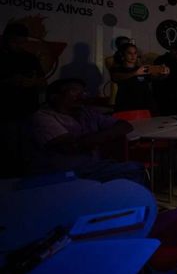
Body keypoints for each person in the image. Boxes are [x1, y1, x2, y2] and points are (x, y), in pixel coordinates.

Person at [30, 78, 145, 183]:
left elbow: (125, 126)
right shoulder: (43, 117)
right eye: (74, 91)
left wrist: (93, 139)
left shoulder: (86, 112)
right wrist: (102, 137)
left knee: (135, 168)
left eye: (83, 92)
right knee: (131, 171)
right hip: (63, 174)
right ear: (55, 97)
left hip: (92, 167)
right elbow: (70, 146)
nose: (82, 96)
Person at [0, 22, 46, 177]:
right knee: (9, 151)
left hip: (29, 110)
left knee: (29, 150)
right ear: (6, 38)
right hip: (5, 113)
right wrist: (9, 82)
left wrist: (33, 82)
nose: (19, 45)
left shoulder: (29, 58)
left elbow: (43, 82)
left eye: (22, 42)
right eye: (15, 41)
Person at [111, 43, 168, 112]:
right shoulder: (118, 69)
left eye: (135, 53)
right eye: (129, 53)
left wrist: (164, 73)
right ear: (123, 55)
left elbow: (155, 78)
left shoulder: (142, 68)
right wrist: (135, 73)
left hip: (144, 106)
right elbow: (116, 77)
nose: (133, 56)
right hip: (126, 107)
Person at [153, 45, 177, 115]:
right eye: (175, 50)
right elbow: (153, 76)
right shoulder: (161, 59)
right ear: (171, 49)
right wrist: (162, 77)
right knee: (164, 116)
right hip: (163, 94)